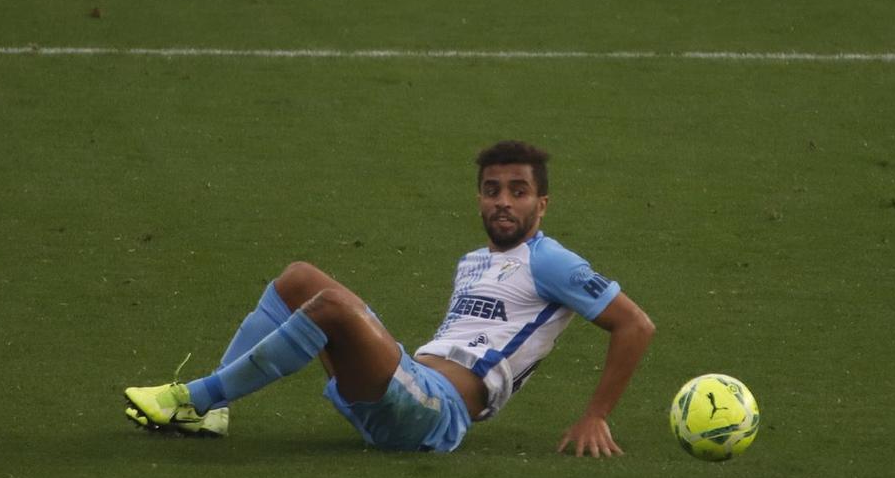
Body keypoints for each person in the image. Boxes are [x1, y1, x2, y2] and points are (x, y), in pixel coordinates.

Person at [122, 141, 657, 456]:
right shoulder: (473, 261)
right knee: (300, 279)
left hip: (434, 414)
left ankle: (193, 397)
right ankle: (211, 413)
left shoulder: (549, 260)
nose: (503, 202)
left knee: (329, 305)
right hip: (405, 387)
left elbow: (636, 325)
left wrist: (596, 415)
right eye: (492, 189)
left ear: (543, 204)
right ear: (478, 197)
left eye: (518, 191)